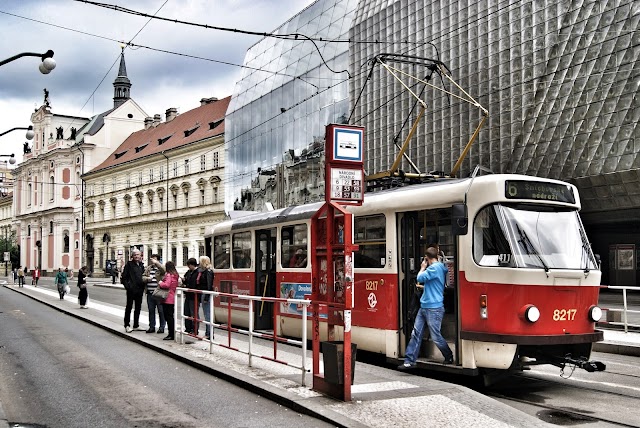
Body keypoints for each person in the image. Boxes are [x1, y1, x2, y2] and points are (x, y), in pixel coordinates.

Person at [398, 246, 453, 370]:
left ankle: (448, 355)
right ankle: (409, 360)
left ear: (427, 258)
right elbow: (433, 283)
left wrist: (423, 267)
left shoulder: (433, 269)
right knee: (416, 333)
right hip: (426, 306)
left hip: (433, 308)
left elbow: (419, 278)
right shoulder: (441, 267)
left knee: (435, 336)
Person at [121, 249, 145, 333]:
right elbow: (123, 278)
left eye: (138, 255)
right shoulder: (129, 265)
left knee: (138, 308)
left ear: (140, 256)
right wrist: (128, 287)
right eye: (135, 255)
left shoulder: (142, 265)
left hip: (140, 290)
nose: (137, 256)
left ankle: (136, 325)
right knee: (129, 307)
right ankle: (127, 325)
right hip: (131, 290)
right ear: (132, 256)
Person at [142, 254, 166, 334]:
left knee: (161, 311)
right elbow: (143, 277)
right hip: (150, 293)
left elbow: (164, 270)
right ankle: (152, 326)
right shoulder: (148, 268)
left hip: (159, 293)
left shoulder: (160, 268)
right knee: (151, 311)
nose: (153, 261)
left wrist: (157, 263)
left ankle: (162, 327)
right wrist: (147, 279)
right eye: (152, 259)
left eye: (155, 259)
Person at [158, 261, 179, 341]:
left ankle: (171, 334)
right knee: (170, 316)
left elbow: (167, 285)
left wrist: (160, 283)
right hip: (172, 297)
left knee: (168, 317)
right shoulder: (175, 275)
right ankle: (172, 333)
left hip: (167, 298)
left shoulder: (169, 275)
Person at [196, 256, 215, 340]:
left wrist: (207, 296)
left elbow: (209, 284)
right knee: (206, 314)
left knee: (208, 315)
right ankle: (208, 333)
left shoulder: (208, 271)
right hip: (203, 293)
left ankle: (209, 334)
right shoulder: (203, 271)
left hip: (206, 294)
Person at [182, 258, 199, 334]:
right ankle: (188, 328)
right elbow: (186, 279)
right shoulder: (189, 272)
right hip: (188, 294)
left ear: (192, 265)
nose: (188, 267)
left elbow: (196, 283)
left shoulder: (197, 272)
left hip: (194, 295)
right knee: (187, 312)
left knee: (194, 313)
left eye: (189, 265)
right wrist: (184, 280)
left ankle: (194, 329)